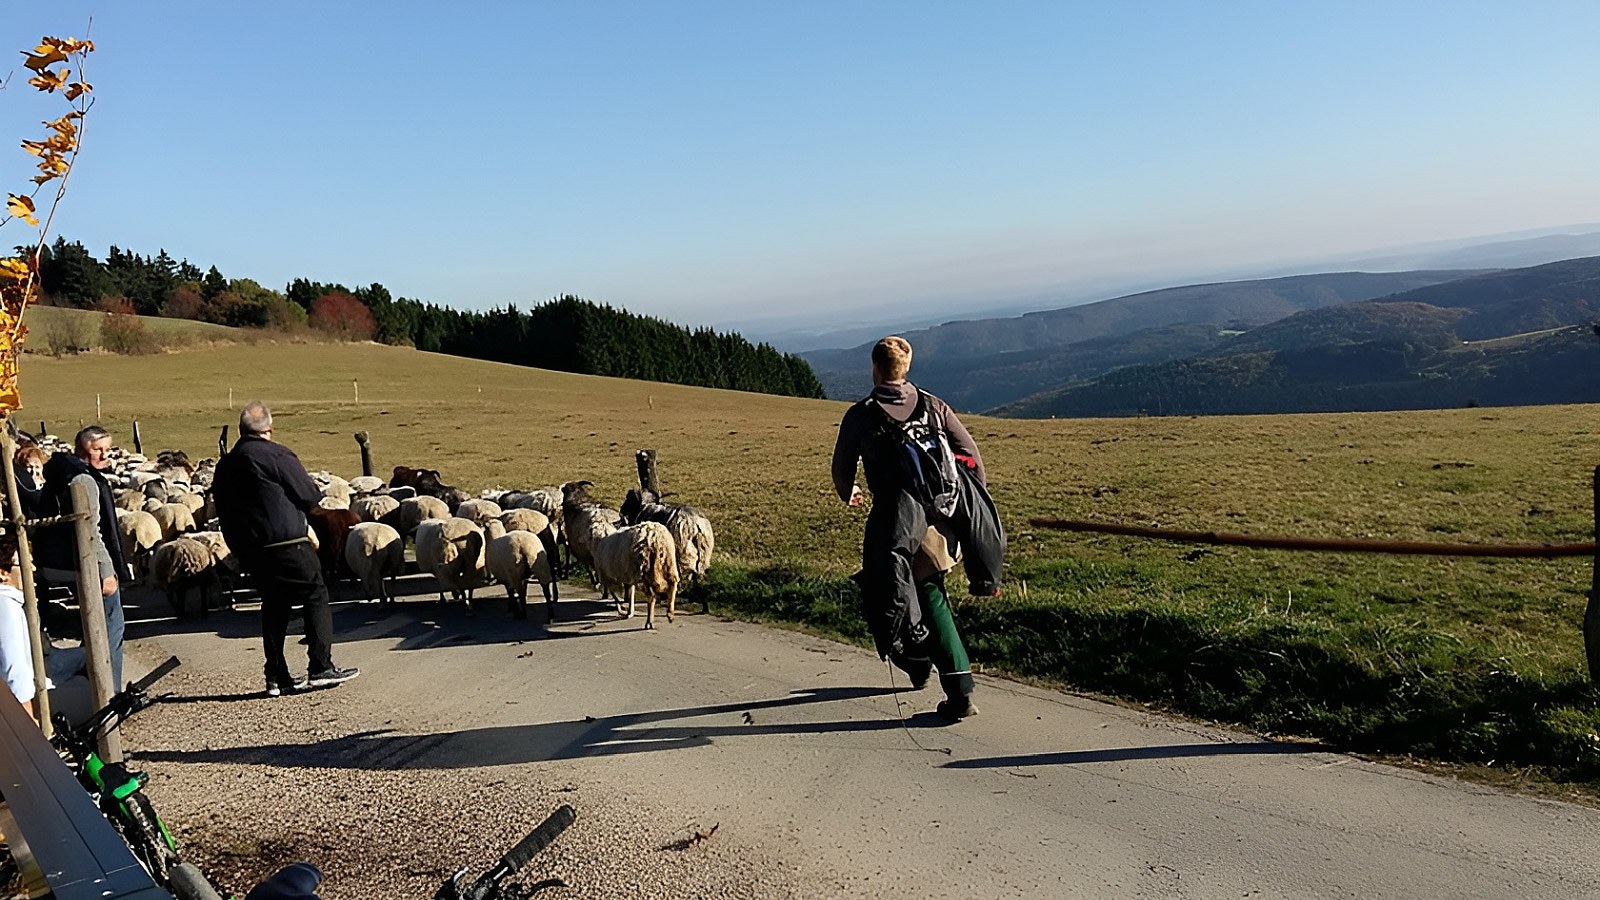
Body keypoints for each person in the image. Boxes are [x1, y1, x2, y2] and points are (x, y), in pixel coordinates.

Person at [832, 336, 1006, 722]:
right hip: (943, 521)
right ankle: (919, 663)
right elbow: (973, 459)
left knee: (920, 594)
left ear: (876, 368)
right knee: (913, 592)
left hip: (898, 526)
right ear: (906, 367)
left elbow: (841, 473)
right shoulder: (934, 405)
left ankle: (957, 689)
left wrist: (851, 493)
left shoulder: (861, 415)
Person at [212, 401, 358, 697]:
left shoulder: (226, 464)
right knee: (315, 593)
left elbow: (222, 507)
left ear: (242, 430)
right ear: (269, 429)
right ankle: (320, 667)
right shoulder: (275, 454)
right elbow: (308, 495)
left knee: (274, 602)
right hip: (286, 540)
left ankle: (276, 675)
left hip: (251, 547)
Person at [36, 425, 128, 689]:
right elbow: (91, 529)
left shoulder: (60, 474)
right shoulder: (83, 480)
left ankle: (90, 687)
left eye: (107, 449)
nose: (105, 455)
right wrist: (107, 571)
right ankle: (110, 692)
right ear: (84, 449)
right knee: (111, 630)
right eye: (99, 449)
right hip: (88, 566)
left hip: (62, 563)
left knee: (93, 629)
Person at [0, 530, 85, 722]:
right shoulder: (6, 608)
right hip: (21, 710)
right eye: (23, 564)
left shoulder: (12, 603)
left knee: (80, 681)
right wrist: (30, 731)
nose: (32, 569)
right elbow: (15, 677)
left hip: (22, 698)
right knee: (95, 696)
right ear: (3, 574)